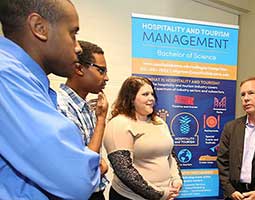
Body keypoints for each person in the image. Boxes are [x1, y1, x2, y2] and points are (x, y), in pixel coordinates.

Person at [0, 0, 102, 199]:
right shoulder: (7, 77)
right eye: (73, 34)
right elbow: (77, 179)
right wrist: (90, 165)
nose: (78, 47)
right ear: (39, 28)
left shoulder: (25, 80)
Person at [104, 76, 183, 200]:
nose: (151, 98)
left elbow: (170, 156)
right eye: (145, 94)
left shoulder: (159, 122)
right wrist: (159, 194)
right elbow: (124, 170)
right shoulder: (119, 124)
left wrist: (177, 180)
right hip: (130, 197)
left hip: (165, 195)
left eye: (152, 94)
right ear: (131, 99)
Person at [57, 40, 109, 200]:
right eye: (101, 71)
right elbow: (84, 169)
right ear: (79, 68)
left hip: (96, 192)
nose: (106, 78)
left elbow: (94, 158)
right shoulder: (61, 106)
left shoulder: (86, 106)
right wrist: (101, 120)